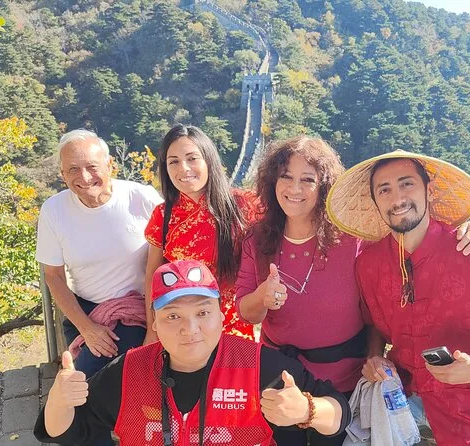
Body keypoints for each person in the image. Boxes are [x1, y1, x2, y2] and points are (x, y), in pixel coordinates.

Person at [236, 137, 470, 446]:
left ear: (324, 187)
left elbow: (407, 232)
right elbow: (246, 313)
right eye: (286, 177)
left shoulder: (353, 240)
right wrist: (262, 297)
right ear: (272, 182)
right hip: (279, 378)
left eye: (308, 180)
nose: (295, 188)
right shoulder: (257, 240)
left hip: (343, 381)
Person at [326, 149, 470, 445]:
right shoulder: (369, 264)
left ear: (428, 191)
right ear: (375, 202)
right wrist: (375, 356)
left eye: (407, 184)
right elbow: (374, 322)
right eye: (384, 190)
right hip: (403, 405)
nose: (397, 198)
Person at [34, 260, 351, 446]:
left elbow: (339, 414)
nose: (190, 329)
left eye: (202, 313)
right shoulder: (128, 373)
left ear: (221, 316)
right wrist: (59, 399)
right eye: (173, 316)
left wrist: (307, 410)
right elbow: (64, 432)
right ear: (154, 323)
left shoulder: (259, 366)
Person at [36, 130, 161, 445]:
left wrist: (156, 325)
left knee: (98, 382)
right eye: (73, 169)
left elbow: (171, 255)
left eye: (92, 166)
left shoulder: (141, 198)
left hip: (142, 307)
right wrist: (87, 328)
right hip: (87, 309)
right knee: (81, 387)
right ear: (62, 174)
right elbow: (53, 276)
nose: (84, 177)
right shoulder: (54, 210)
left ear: (110, 166)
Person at [143, 124, 258, 344]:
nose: (184, 168)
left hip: (234, 325)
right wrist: (152, 328)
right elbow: (152, 275)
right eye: (174, 161)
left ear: (209, 160)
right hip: (185, 328)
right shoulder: (163, 215)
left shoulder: (243, 205)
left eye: (192, 158)